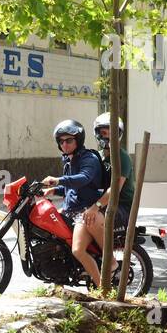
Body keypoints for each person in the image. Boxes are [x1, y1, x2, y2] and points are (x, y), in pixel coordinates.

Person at [40, 118, 106, 287]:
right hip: (72, 210)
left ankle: (102, 288)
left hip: (84, 211)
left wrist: (57, 181)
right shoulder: (70, 160)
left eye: (69, 140)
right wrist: (54, 191)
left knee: (78, 250)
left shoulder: (88, 158)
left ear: (78, 140)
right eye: (61, 141)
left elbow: (84, 179)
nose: (65, 144)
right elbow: (73, 189)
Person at [82, 112, 133, 282]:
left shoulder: (121, 157)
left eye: (112, 132)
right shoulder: (99, 156)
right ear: (97, 134)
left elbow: (115, 189)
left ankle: (111, 262)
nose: (108, 136)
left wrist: (95, 206)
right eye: (104, 132)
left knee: (93, 218)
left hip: (121, 208)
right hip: (105, 205)